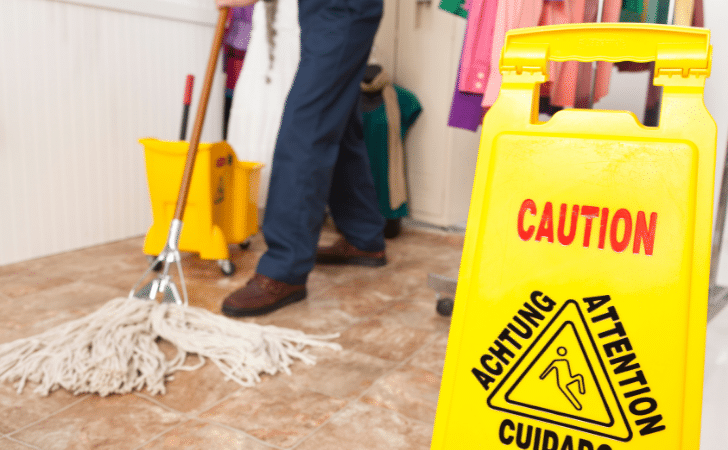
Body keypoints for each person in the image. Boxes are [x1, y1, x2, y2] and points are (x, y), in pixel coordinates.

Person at [216, 0, 387, 317]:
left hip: (342, 8)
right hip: (323, 10)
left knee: (305, 126)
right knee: (338, 116)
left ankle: (284, 268)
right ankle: (364, 236)